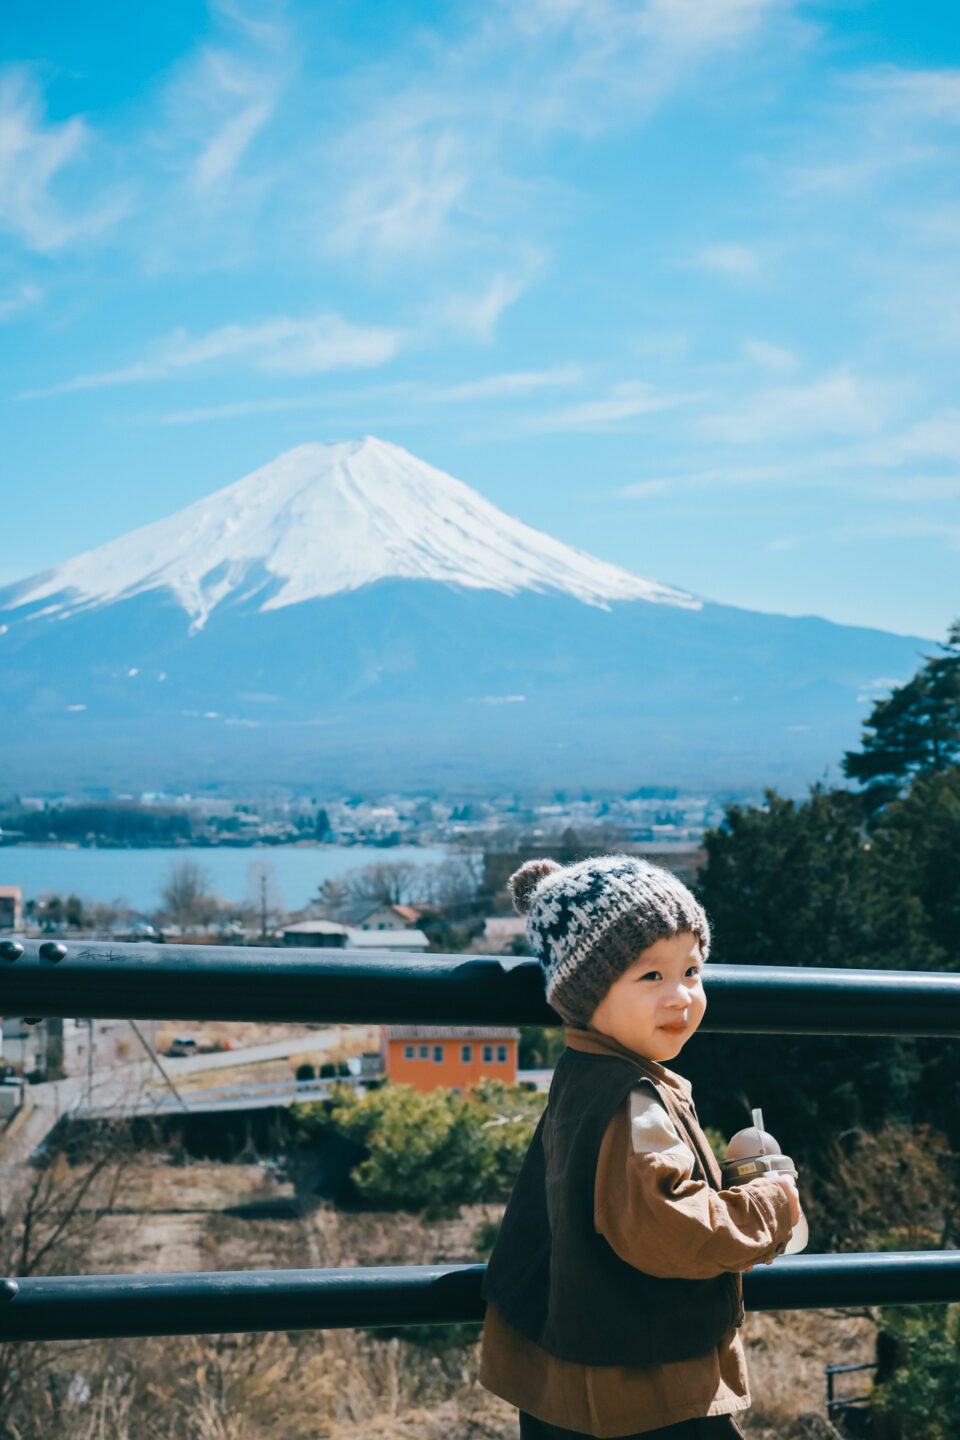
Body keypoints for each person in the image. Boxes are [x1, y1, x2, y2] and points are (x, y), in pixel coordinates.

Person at [479, 855, 801, 1440]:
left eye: (692, 972)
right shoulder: (634, 1103)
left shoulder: (581, 1074)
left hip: (570, 1373)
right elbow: (672, 1228)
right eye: (651, 976)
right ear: (584, 992)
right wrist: (770, 1202)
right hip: (644, 1390)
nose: (680, 996)